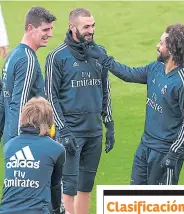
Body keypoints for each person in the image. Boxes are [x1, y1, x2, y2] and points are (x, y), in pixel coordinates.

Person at [89, 23, 184, 185]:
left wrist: (174, 153)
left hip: (165, 151)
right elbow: (129, 74)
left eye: (161, 43)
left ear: (172, 50)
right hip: (145, 146)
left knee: (160, 205)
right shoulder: (155, 68)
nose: (157, 46)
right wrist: (105, 60)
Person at [45, 8, 115, 214]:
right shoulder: (56, 57)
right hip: (71, 134)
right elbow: (50, 96)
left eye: (92, 25)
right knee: (69, 187)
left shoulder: (99, 52)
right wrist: (63, 131)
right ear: (72, 27)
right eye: (86, 26)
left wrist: (109, 124)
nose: (90, 30)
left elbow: (106, 91)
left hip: (94, 132)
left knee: (86, 186)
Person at [0, 6, 56, 169]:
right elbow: (19, 104)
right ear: (30, 28)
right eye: (45, 29)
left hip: (16, 143)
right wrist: (19, 147)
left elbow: (4, 102)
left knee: (16, 193)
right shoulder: (28, 60)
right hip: (27, 146)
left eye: (51, 29)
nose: (50, 34)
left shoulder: (12, 56)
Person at [0, 97, 65, 214]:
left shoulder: (9, 146)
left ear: (23, 118)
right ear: (49, 121)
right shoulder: (56, 149)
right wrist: (59, 211)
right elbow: (55, 186)